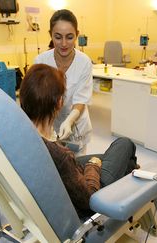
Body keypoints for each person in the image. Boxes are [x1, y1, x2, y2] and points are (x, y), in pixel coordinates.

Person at [20, 63, 138, 217]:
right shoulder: (61, 155)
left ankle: (127, 169)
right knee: (125, 144)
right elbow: (89, 200)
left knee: (121, 159)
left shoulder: (21, 132)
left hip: (62, 181)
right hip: (90, 199)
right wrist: (93, 165)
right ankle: (130, 178)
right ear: (59, 102)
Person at [34, 9, 93, 156]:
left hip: (77, 123)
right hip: (49, 126)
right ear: (51, 35)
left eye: (70, 37)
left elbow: (81, 99)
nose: (64, 43)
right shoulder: (41, 61)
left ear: (77, 35)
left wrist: (69, 121)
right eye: (58, 37)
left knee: (77, 166)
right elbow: (36, 98)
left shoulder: (84, 62)